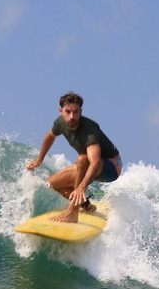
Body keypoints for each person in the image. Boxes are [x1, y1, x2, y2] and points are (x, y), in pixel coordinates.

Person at [26, 92, 122, 223]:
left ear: (80, 111)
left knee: (82, 159)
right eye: (68, 111)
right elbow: (50, 136)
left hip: (111, 168)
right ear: (61, 111)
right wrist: (39, 160)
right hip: (90, 164)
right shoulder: (60, 123)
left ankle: (73, 212)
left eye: (76, 112)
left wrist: (81, 187)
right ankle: (84, 203)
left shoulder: (89, 130)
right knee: (51, 184)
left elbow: (95, 162)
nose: (72, 116)